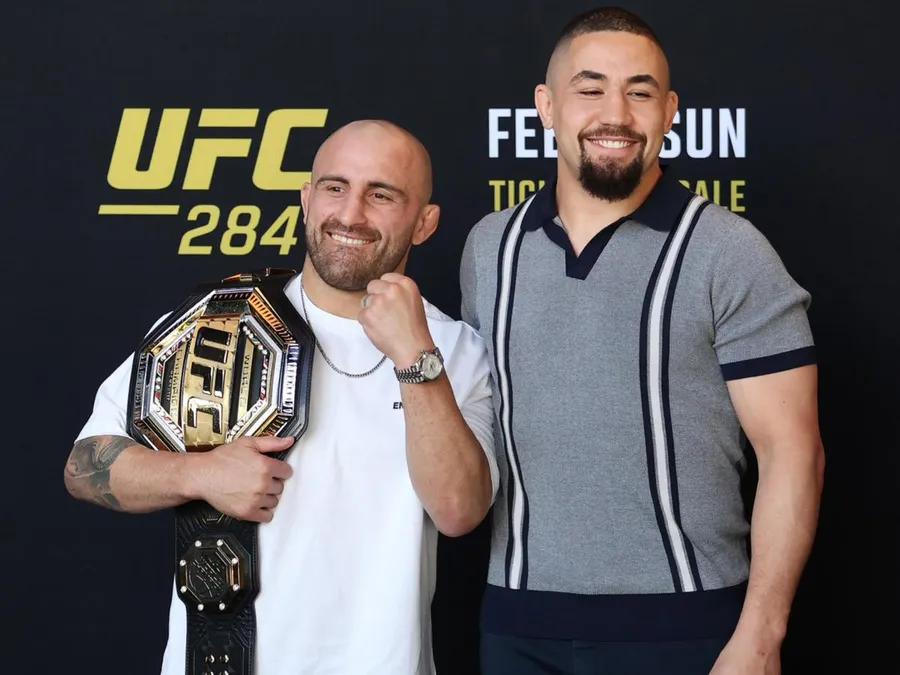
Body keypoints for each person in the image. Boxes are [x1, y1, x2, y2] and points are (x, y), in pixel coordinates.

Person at [460, 7, 825, 674]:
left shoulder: (728, 251)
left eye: (640, 92)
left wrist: (762, 635)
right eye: (590, 88)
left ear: (669, 111)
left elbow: (792, 451)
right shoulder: (490, 247)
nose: (616, 114)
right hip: (517, 628)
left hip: (687, 631)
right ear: (546, 105)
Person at [64, 119, 499, 675]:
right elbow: (84, 466)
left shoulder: (455, 351)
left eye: (381, 195)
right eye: (335, 187)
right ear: (306, 198)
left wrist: (415, 358)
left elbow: (459, 512)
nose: (351, 214)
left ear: (424, 223)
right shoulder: (214, 324)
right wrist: (198, 475)